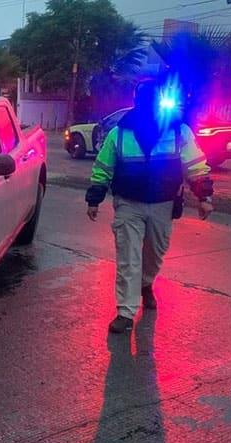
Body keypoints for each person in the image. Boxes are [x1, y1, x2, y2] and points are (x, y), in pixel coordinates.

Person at [85, 78, 214, 333]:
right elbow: (103, 168)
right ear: (136, 101)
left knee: (154, 254)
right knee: (128, 258)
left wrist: (204, 197)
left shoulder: (178, 131)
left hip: (163, 204)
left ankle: (145, 285)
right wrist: (94, 199)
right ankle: (125, 311)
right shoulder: (119, 133)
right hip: (128, 204)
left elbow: (195, 166)